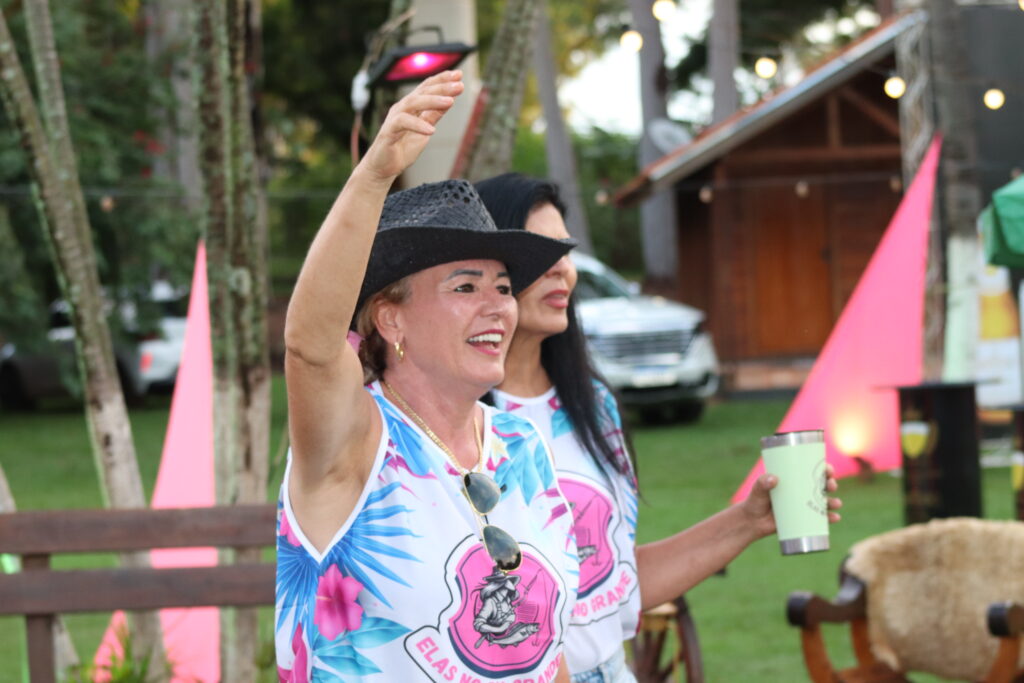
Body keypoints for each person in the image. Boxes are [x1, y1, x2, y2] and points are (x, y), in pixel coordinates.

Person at [474, 173, 843, 683]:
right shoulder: (458, 419)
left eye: (566, 250)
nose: (562, 269)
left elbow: (616, 584)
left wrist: (750, 520)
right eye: (541, 251)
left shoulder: (594, 406)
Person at [276, 74, 580, 682]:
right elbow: (310, 348)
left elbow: (546, 651)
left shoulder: (521, 444)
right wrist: (374, 176)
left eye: (503, 288)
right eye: (465, 287)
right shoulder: (356, 442)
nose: (497, 307)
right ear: (390, 318)